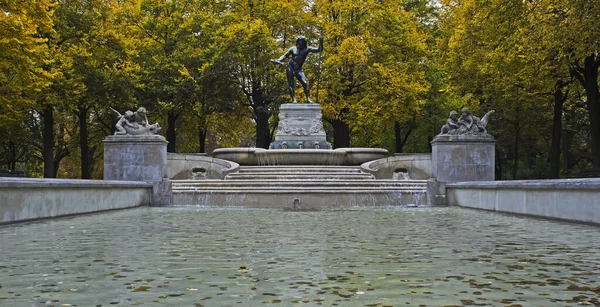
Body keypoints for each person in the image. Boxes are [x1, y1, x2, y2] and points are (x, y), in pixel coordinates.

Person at [271, 35, 323, 104]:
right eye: (300, 41)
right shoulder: (293, 49)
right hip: (290, 67)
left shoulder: (307, 49)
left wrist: (321, 42)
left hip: (299, 69)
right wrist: (278, 60)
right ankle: (294, 99)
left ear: (304, 42)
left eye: (302, 42)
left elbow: (319, 50)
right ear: (298, 42)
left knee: (305, 83)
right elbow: (285, 55)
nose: (301, 43)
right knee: (291, 84)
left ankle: (308, 99)